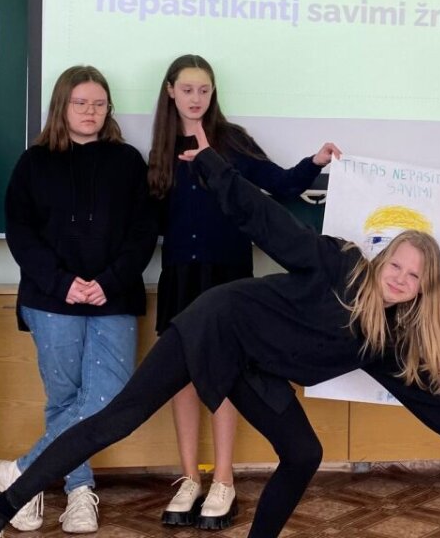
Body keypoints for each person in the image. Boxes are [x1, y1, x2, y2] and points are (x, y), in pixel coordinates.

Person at [0, 124, 440, 538]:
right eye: (398, 266)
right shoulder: (338, 263)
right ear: (383, 260)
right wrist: (211, 164)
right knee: (117, 419)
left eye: (414, 277)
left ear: (423, 289)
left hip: (253, 364)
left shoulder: (386, 341)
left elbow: (434, 402)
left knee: (303, 453)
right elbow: (268, 221)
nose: (401, 279)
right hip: (215, 325)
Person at [146, 54, 339, 529]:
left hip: (228, 277)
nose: (196, 98)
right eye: (187, 89)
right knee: (181, 376)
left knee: (226, 372)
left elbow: (281, 184)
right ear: (170, 91)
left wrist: (314, 162)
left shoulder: (231, 141)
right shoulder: (159, 149)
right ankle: (189, 478)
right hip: (180, 276)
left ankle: (224, 480)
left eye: (204, 89)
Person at [0, 66, 158, 533]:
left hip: (114, 296)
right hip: (51, 299)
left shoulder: (128, 161)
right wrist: (62, 282)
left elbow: (143, 231)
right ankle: (78, 490)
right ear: (61, 106)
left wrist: (109, 280)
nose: (91, 111)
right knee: (65, 400)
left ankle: (22, 473)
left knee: (107, 400)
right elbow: (20, 232)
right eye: (81, 103)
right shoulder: (34, 162)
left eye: (99, 104)